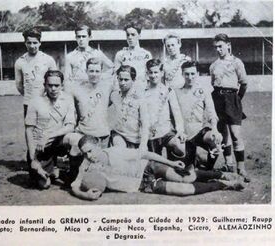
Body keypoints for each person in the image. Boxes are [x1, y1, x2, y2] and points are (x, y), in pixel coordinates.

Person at [70, 135, 245, 201]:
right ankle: (224, 184)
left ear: (99, 146)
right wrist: (85, 194)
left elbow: (146, 154)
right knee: (183, 190)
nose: (89, 156)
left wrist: (171, 163)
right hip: (141, 184)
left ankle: (222, 173)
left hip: (148, 167)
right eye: (85, 153)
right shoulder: (86, 165)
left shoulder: (116, 152)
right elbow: (74, 186)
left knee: (186, 177)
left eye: (91, 151)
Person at [63, 58, 113, 185]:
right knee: (76, 175)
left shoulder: (108, 86)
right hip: (84, 134)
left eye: (97, 71)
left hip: (103, 135)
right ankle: (72, 172)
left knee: (99, 173)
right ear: (86, 71)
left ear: (101, 72)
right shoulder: (77, 89)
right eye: (91, 71)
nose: (94, 74)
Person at [25, 70, 76, 189]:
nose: (53, 88)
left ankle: (70, 171)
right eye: (50, 85)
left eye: (57, 85)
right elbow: (28, 130)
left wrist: (49, 135)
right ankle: (52, 169)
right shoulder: (35, 101)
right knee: (44, 184)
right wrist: (33, 159)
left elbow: (70, 126)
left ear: (62, 86)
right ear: (45, 85)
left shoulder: (68, 99)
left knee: (75, 139)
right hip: (41, 146)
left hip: (57, 142)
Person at [210, 33, 250, 182]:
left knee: (235, 134)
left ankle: (241, 168)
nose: (218, 49)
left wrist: (237, 99)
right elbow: (213, 83)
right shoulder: (213, 65)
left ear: (228, 45)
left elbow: (244, 83)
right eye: (216, 47)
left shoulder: (236, 62)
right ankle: (229, 164)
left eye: (220, 46)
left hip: (232, 98)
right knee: (222, 135)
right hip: (217, 99)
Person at [176, 61, 222, 170]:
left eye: (192, 74)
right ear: (182, 74)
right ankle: (196, 160)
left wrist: (215, 129)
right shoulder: (177, 92)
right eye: (186, 74)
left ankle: (209, 170)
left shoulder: (204, 91)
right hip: (184, 136)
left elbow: (211, 112)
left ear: (197, 73)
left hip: (199, 131)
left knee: (216, 139)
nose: (190, 77)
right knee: (189, 171)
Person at [145, 59, 186, 159]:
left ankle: (174, 158)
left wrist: (180, 130)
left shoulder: (168, 90)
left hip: (166, 131)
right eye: (151, 72)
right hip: (151, 134)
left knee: (179, 146)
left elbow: (176, 112)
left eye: (156, 72)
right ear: (147, 73)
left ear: (161, 73)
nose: (153, 75)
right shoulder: (143, 91)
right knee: (156, 166)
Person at [15, 28, 57, 118]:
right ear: (25, 43)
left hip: (46, 102)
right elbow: (19, 85)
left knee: (47, 130)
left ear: (40, 43)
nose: (32, 46)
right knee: (30, 129)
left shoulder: (48, 60)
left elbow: (55, 81)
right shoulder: (20, 61)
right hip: (28, 103)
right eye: (29, 43)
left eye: (35, 43)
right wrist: (30, 95)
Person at [110, 65, 149, 151]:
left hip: (135, 139)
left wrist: (143, 144)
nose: (122, 83)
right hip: (118, 135)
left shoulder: (140, 98)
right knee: (120, 151)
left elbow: (145, 123)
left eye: (126, 80)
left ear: (133, 80)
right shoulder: (114, 95)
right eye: (120, 79)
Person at [64, 25, 113, 91]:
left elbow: (113, 68)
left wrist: (101, 76)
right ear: (76, 38)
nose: (81, 39)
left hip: (94, 89)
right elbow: (67, 79)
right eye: (79, 37)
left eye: (84, 36)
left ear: (90, 37)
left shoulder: (97, 53)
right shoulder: (70, 56)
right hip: (78, 90)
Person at [114, 22, 152, 90]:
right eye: (128, 35)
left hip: (141, 90)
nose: (130, 37)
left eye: (133, 34)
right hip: (125, 90)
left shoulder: (146, 55)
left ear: (139, 35)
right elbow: (116, 77)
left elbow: (149, 76)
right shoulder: (120, 54)